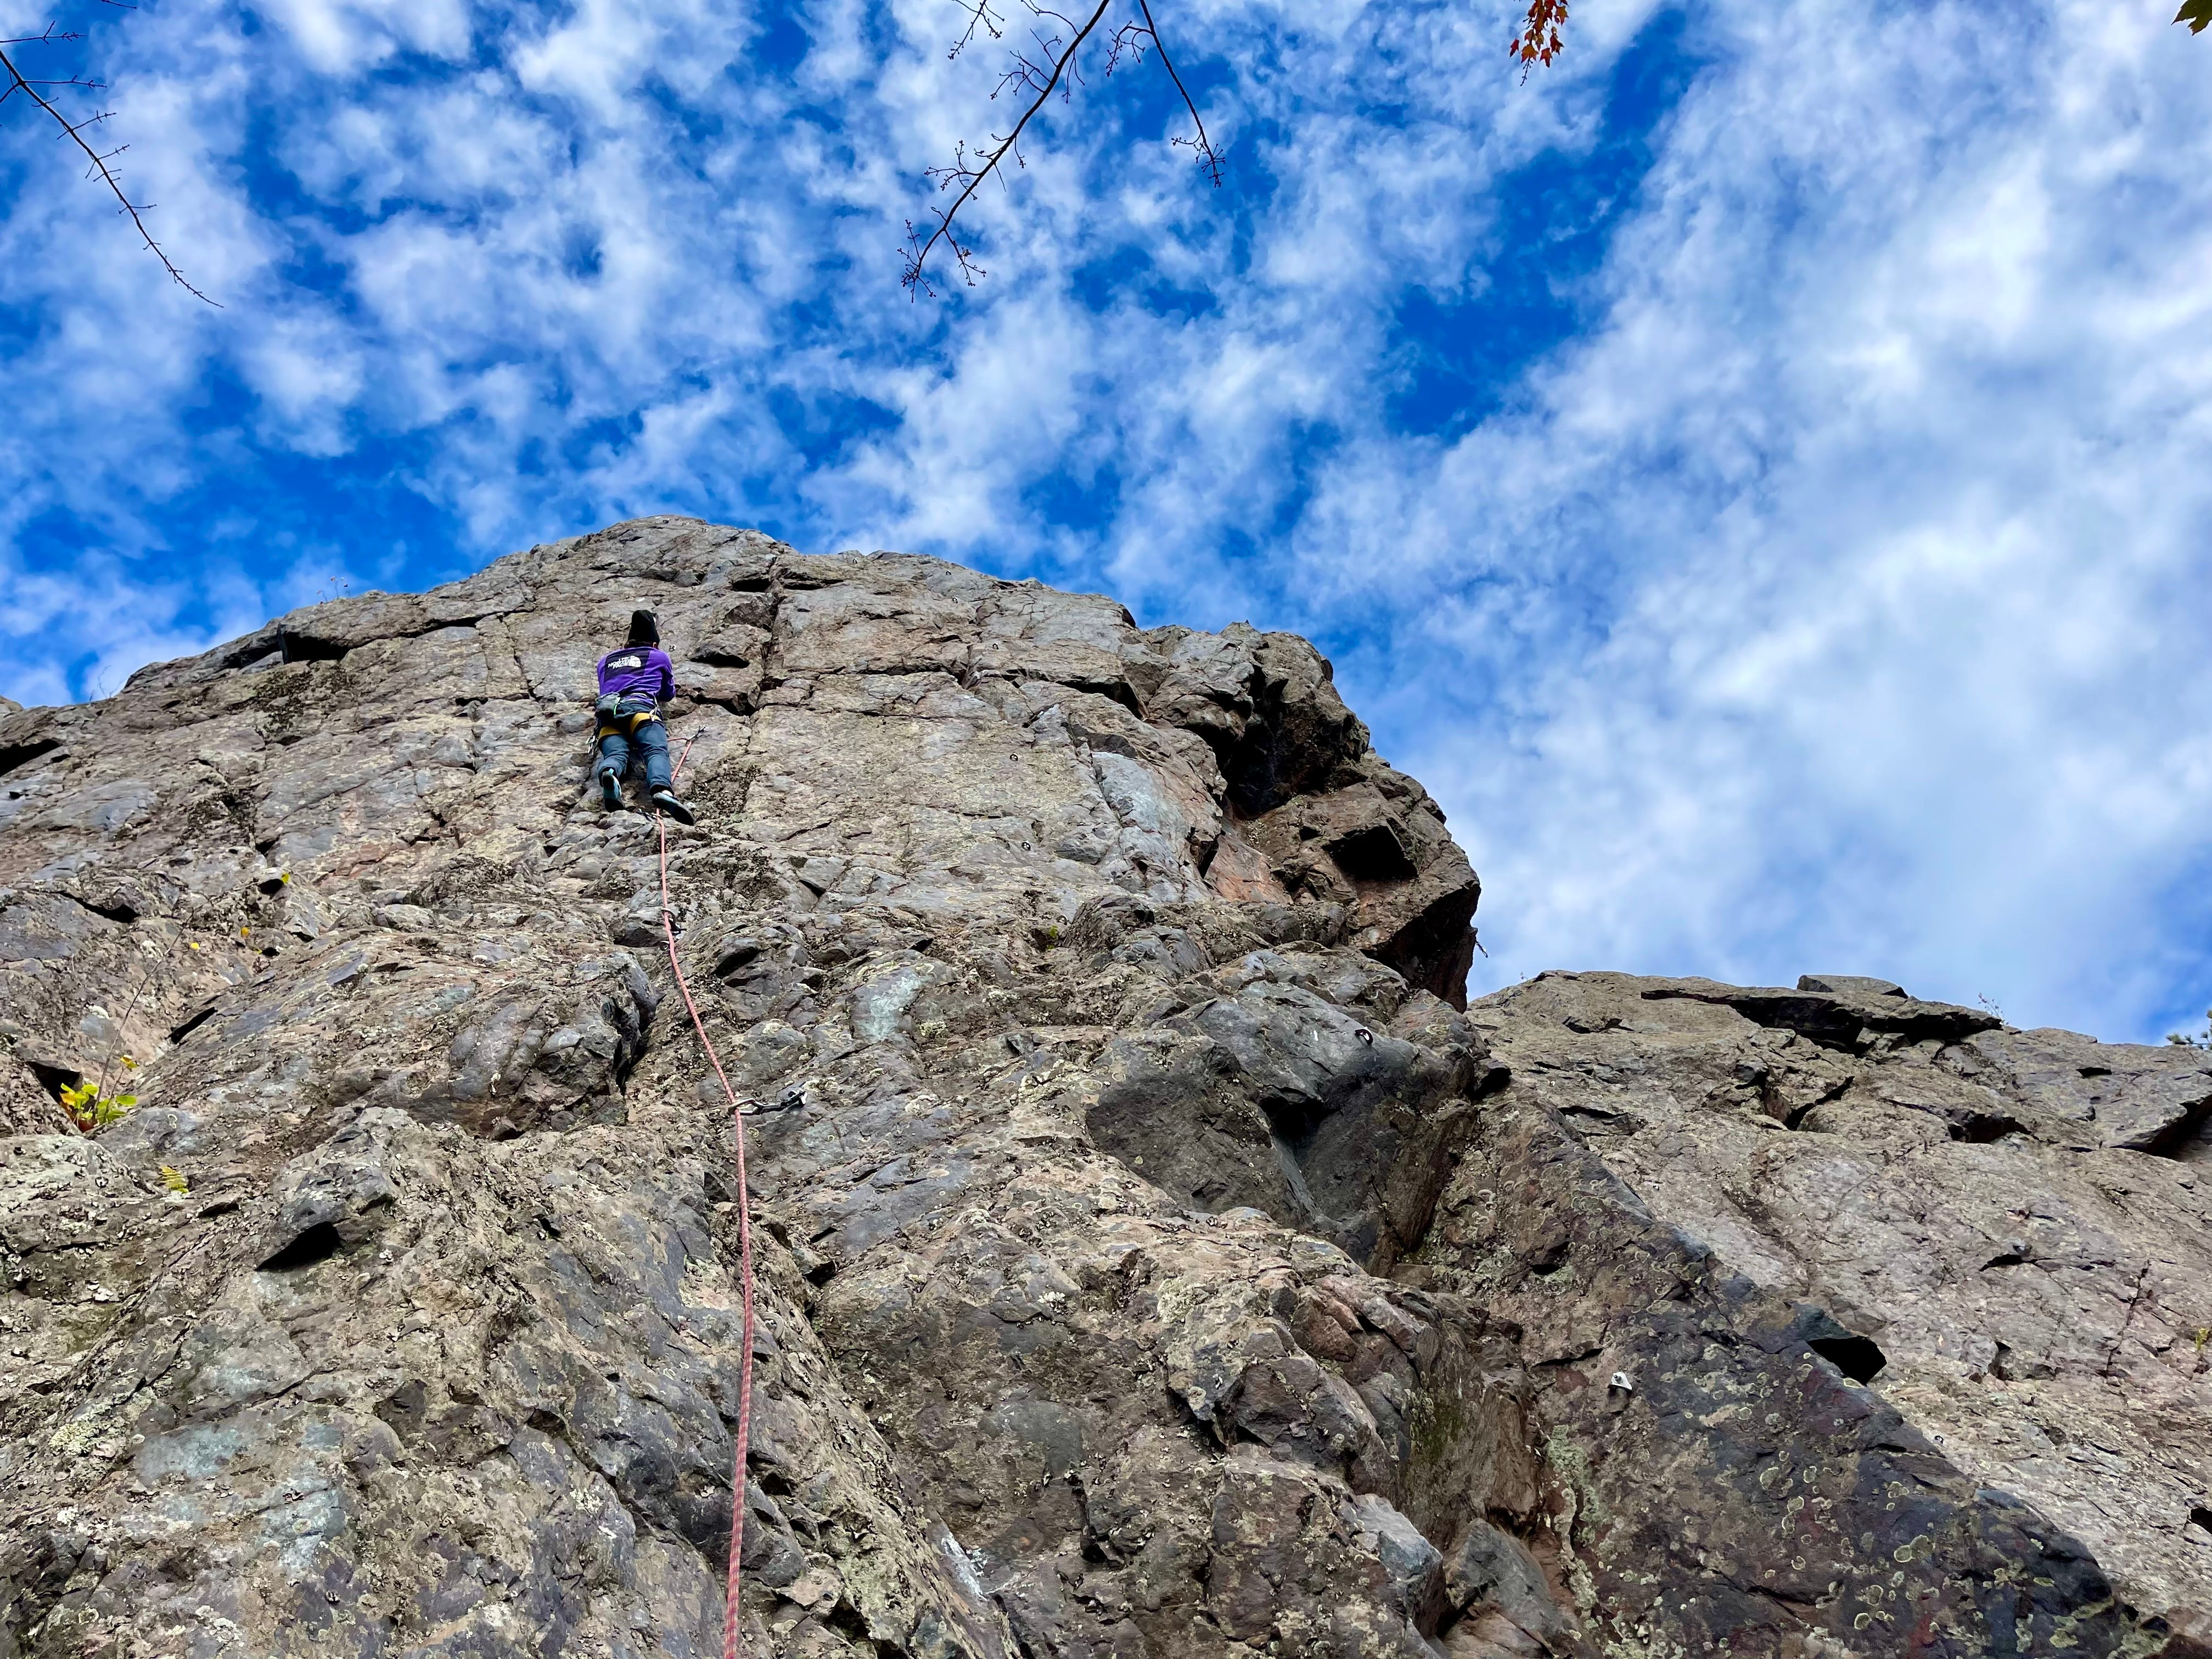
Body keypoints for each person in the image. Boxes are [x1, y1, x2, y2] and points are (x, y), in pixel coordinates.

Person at [593, 610, 694, 823]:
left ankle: (610, 773)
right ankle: (662, 791)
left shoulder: (605, 661)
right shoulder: (658, 656)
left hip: (608, 715)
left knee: (616, 755)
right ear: (654, 644)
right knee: (655, 750)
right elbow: (668, 693)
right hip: (640, 710)